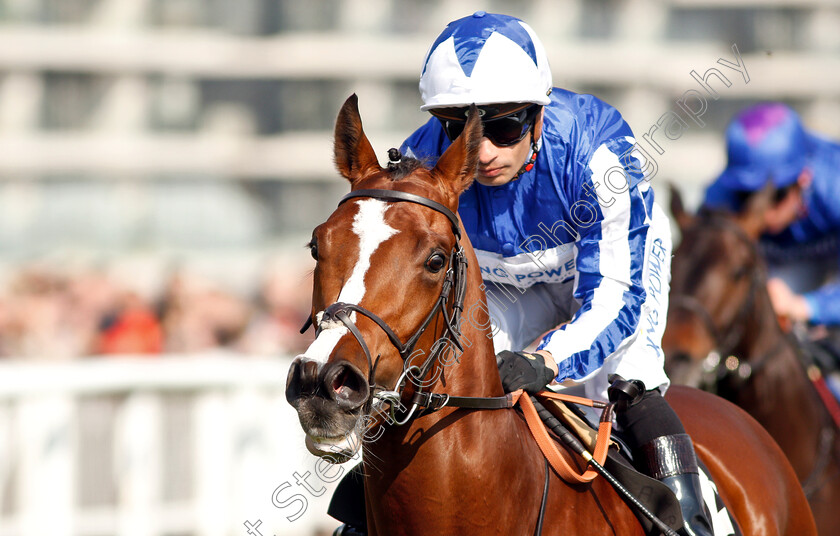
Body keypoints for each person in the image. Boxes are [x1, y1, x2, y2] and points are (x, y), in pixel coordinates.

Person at [333, 12, 711, 536]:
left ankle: (693, 519)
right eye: (458, 128)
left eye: (504, 126)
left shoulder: (598, 152)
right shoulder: (424, 163)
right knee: (439, 385)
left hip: (608, 276)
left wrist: (548, 360)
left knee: (631, 385)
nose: (482, 152)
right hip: (508, 284)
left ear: (537, 114)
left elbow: (615, 301)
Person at [703, 102, 840, 328]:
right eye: (746, 195)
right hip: (781, 278)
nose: (762, 213)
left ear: (803, 180)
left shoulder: (833, 185)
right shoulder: (718, 202)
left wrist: (809, 307)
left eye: (775, 196)